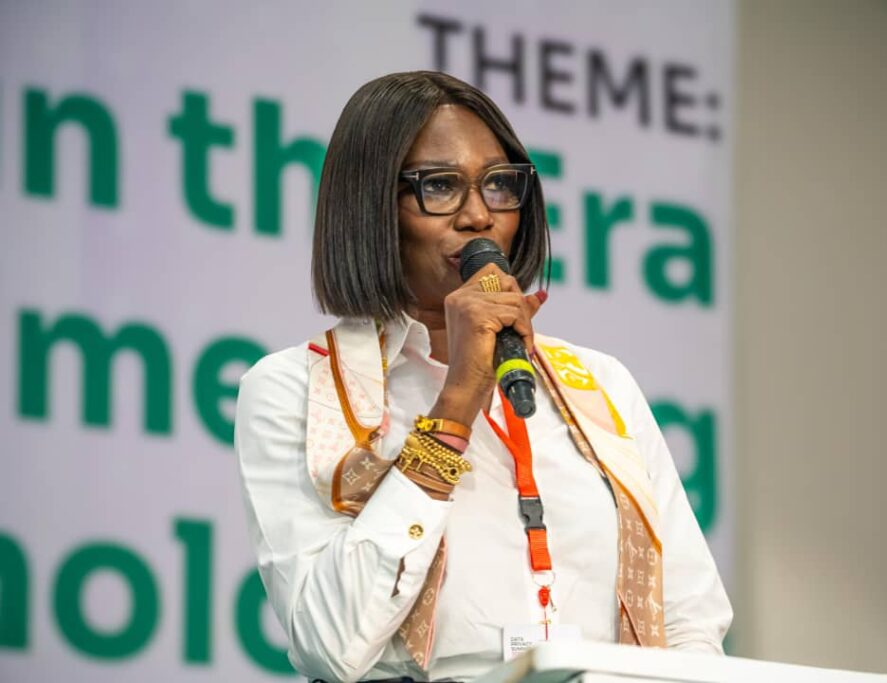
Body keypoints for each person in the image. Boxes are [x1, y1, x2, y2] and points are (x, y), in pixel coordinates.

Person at [234, 70, 731, 683]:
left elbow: (690, 621)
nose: (478, 215)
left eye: (499, 185)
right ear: (370, 206)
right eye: (440, 186)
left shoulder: (601, 382)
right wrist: (459, 399)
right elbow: (330, 645)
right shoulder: (294, 388)